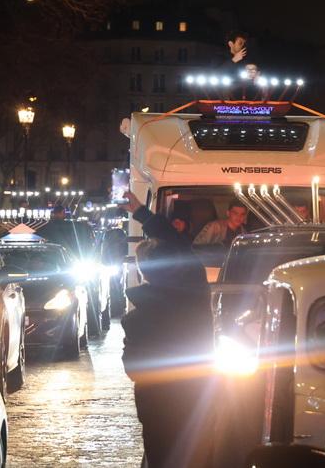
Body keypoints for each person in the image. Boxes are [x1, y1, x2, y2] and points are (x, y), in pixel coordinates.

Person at [119, 191, 216, 468]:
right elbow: (180, 246)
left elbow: (134, 368)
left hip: (156, 406)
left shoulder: (136, 320)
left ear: (143, 272)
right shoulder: (195, 296)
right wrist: (143, 214)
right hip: (196, 397)